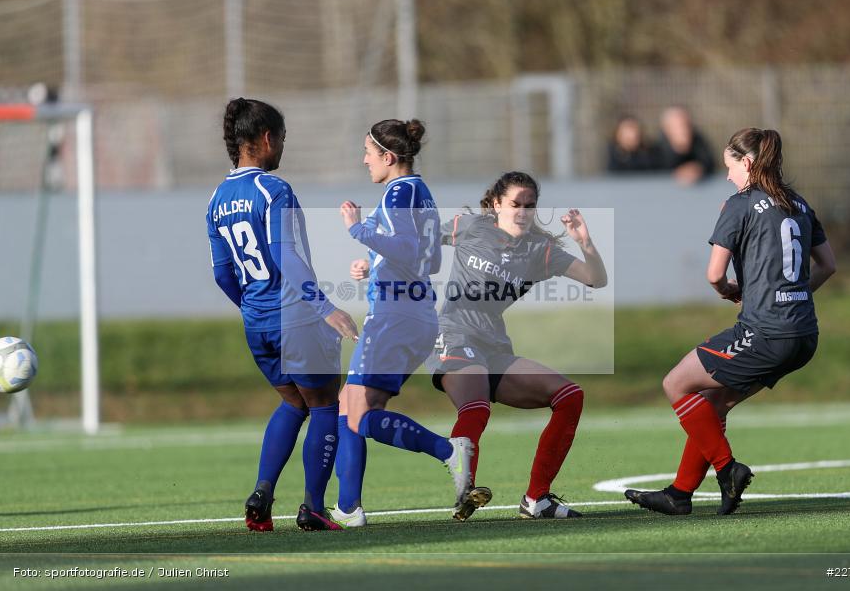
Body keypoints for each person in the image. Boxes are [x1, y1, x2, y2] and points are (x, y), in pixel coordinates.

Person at [625, 128, 837, 516]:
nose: (727, 176)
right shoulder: (799, 204)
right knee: (712, 403)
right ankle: (680, 493)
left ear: (748, 163)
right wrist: (795, 295)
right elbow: (828, 265)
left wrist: (729, 290)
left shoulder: (739, 204)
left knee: (675, 383)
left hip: (766, 331)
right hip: (804, 335)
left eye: (730, 166)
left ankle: (728, 470)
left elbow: (713, 275)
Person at [207, 98, 358, 532]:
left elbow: (221, 274)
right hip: (295, 315)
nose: (283, 148)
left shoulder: (217, 199)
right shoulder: (274, 191)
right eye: (283, 139)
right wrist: (324, 308)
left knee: (293, 402)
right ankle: (312, 507)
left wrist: (256, 309)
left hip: (257, 321)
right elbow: (285, 256)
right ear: (267, 139)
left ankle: (263, 491)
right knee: (326, 404)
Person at [426, 171, 609, 521]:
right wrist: (374, 270)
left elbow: (595, 279)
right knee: (476, 405)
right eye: (515, 204)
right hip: (453, 333)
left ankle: (536, 499)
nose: (523, 212)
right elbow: (416, 244)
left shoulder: (540, 251)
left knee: (570, 395)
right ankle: (465, 492)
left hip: (494, 345)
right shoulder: (471, 226)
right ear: (496, 205)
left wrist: (585, 242)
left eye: (530, 205)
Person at [330, 118, 474, 528]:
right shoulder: (419, 192)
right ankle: (348, 506)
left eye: (368, 153)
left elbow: (410, 252)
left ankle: (448, 451)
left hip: (393, 317)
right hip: (414, 315)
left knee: (357, 413)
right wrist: (374, 266)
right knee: (351, 407)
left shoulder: (398, 192)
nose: (364, 161)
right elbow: (428, 260)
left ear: (388, 157)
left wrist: (359, 231)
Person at [657, 106, 716, 184]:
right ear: (666, 128)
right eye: (677, 127)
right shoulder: (656, 149)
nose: (684, 131)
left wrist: (698, 168)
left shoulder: (699, 143)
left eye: (686, 125)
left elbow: (709, 163)